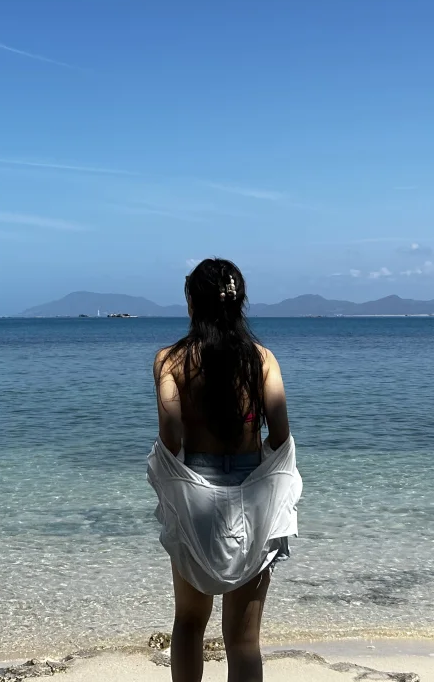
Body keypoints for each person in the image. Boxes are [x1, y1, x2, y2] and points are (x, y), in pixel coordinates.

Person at [148, 258, 300, 682]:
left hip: (195, 499)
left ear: (192, 303)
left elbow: (172, 438)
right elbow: (281, 434)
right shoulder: (262, 359)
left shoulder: (170, 361)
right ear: (239, 303)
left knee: (190, 623)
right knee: (244, 641)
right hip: (253, 498)